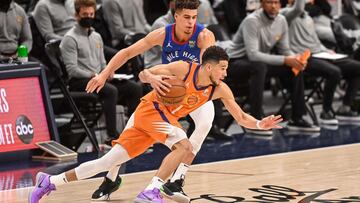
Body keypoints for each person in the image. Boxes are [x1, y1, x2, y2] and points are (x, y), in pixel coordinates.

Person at [29, 45, 283, 203]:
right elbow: (143, 74)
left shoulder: (219, 89)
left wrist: (261, 123)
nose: (226, 73)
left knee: (108, 161)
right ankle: (152, 190)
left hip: (157, 120)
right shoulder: (184, 69)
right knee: (184, 147)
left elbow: (241, 118)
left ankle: (50, 182)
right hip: (152, 110)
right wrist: (151, 77)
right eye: (223, 69)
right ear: (208, 67)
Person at [86, 0, 229, 201]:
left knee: (205, 122)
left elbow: (211, 69)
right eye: (186, 17)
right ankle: (111, 178)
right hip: (170, 93)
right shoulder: (163, 34)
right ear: (175, 16)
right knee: (130, 135)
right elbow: (127, 53)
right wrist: (104, 74)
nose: (191, 23)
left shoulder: (204, 36)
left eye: (194, 17)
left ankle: (176, 181)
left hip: (194, 93)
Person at [225, 0, 320, 135]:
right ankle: (256, 121)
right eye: (269, 2)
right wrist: (285, 60)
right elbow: (253, 55)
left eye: (276, 2)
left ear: (280, 5)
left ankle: (297, 117)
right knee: (259, 67)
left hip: (259, 62)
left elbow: (285, 49)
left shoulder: (281, 20)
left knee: (294, 68)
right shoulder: (251, 21)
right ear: (262, 4)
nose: (273, 6)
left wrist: (295, 59)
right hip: (235, 62)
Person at [60, 0, 143, 143]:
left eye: (91, 14)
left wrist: (108, 72)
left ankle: (133, 131)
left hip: (99, 78)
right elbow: (72, 70)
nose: (89, 17)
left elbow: (103, 62)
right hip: (80, 82)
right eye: (85, 14)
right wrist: (93, 75)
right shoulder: (69, 39)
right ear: (76, 15)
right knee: (111, 91)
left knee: (134, 88)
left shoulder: (96, 36)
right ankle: (112, 136)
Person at [281, 0, 360, 123]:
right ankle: (326, 111)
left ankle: (345, 107)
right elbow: (297, 8)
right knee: (334, 72)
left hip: (320, 53)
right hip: (303, 57)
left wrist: (327, 50)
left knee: (357, 67)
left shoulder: (308, 18)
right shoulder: (284, 15)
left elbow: (315, 41)